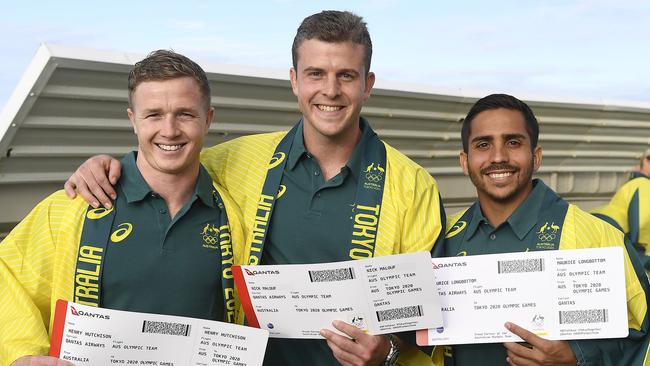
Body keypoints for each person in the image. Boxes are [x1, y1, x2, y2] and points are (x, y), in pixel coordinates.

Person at [63, 10, 445, 366]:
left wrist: (388, 350)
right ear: (295, 80)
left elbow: (426, 320)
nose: (330, 90)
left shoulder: (412, 186)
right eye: (315, 74)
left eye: (346, 75)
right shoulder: (240, 160)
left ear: (368, 84)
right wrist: (106, 167)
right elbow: (168, 157)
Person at [0, 50, 244, 365]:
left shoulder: (237, 215)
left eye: (185, 114)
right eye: (154, 114)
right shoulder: (73, 207)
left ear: (208, 119)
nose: (169, 130)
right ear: (132, 120)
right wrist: (21, 354)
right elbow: (6, 276)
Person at [430, 93, 650, 366]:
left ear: (536, 156)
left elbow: (643, 340)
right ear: (465, 161)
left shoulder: (598, 237)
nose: (498, 156)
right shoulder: (439, 238)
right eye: (483, 144)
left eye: (513, 142)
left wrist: (578, 358)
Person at [593, 148, 650, 270]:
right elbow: (641, 238)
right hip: (612, 242)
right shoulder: (643, 184)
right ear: (640, 164)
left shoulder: (629, 186)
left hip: (597, 235)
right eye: (649, 159)